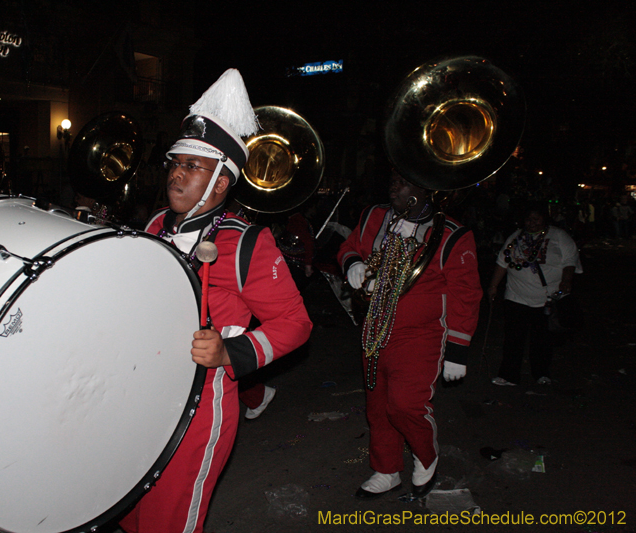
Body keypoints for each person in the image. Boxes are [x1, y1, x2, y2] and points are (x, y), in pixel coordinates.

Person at [119, 69, 312, 533]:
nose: (177, 173)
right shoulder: (156, 224)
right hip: (144, 399)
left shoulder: (247, 243)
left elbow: (295, 323)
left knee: (169, 522)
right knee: (131, 517)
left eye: (192, 166)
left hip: (200, 409)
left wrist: (231, 352)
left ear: (221, 184)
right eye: (175, 162)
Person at [337, 172, 482, 500]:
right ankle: (386, 469)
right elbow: (349, 247)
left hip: (421, 334)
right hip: (375, 326)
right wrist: (353, 264)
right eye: (393, 180)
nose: (393, 185)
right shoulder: (375, 216)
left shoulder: (452, 234)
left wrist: (458, 350)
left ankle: (426, 456)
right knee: (377, 406)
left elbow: (466, 294)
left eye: (403, 182)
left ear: (424, 189)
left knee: (405, 405)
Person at [487, 203, 582, 386]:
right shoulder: (515, 238)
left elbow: (570, 260)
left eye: (536, 219)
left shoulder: (559, 236)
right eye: (529, 219)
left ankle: (541, 373)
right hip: (516, 296)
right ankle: (508, 375)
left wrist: (566, 280)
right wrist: (493, 286)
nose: (532, 223)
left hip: (546, 298)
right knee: (513, 338)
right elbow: (502, 262)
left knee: (542, 339)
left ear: (544, 220)